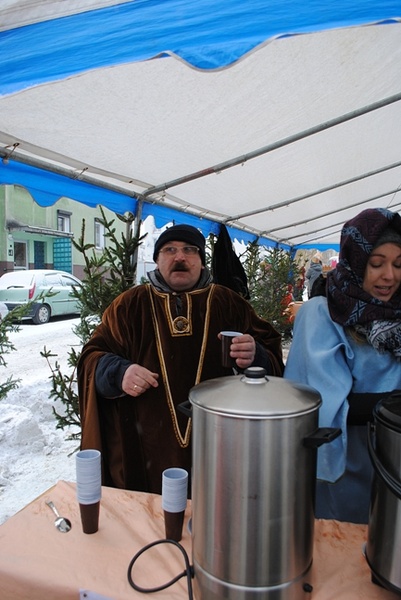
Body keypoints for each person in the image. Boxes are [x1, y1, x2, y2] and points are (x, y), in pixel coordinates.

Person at [78, 224, 284, 495]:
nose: (180, 257)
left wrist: (255, 356)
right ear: (157, 259)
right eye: (170, 250)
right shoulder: (128, 305)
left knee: (214, 518)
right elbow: (92, 357)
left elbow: (271, 355)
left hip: (219, 445)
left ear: (201, 261)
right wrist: (118, 373)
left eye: (190, 250)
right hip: (141, 447)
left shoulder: (229, 303)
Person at [284, 207, 401, 524]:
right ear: (355, 261)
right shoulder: (322, 314)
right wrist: (392, 403)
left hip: (394, 465)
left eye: (399, 264)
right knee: (343, 555)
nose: (389, 275)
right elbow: (322, 403)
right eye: (376, 264)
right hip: (343, 467)